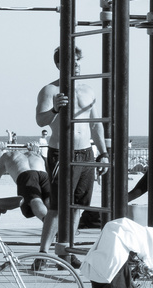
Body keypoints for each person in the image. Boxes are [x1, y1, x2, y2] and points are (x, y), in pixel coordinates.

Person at [37, 46, 106, 231]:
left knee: (79, 207)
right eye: (70, 60)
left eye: (78, 59)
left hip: (86, 153)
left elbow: (95, 124)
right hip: (61, 153)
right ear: (59, 64)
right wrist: (54, 109)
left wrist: (103, 153)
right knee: (57, 207)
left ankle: (67, 250)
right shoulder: (50, 90)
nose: (76, 63)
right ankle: (43, 255)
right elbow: (40, 120)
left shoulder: (88, 90)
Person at [0, 134, 58, 254]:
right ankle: (56, 226)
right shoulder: (35, 154)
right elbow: (49, 169)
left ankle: (49, 224)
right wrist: (37, 152)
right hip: (43, 174)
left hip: (26, 175)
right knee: (49, 202)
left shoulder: (7, 155)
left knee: (35, 201)